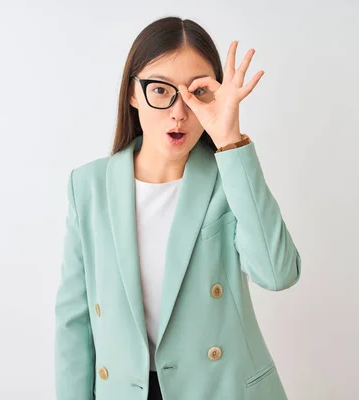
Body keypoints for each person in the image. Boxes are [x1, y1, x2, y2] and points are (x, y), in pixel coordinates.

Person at [55, 16, 301, 400]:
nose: (179, 111)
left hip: (222, 390)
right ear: (133, 93)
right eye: (161, 90)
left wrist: (230, 142)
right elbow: (74, 322)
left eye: (196, 92)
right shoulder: (87, 186)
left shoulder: (230, 176)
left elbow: (277, 273)